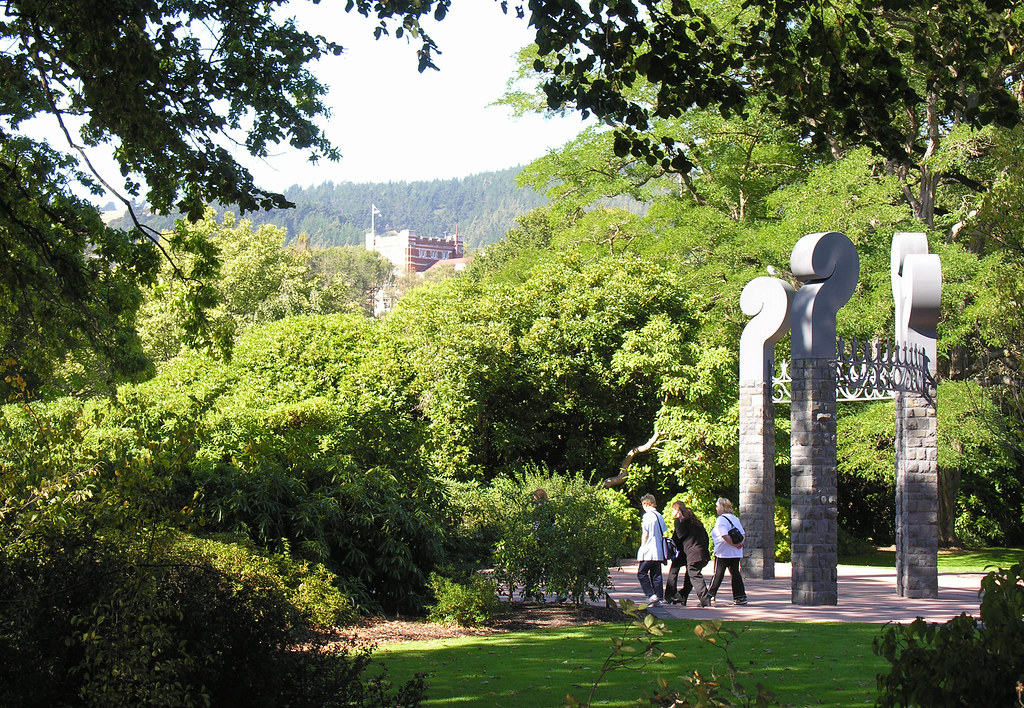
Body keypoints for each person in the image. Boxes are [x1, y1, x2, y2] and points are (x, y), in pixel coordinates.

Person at [665, 501, 711, 607]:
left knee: (694, 576)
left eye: (673, 510)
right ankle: (682, 596)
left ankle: (705, 600)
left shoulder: (681, 523)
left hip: (692, 553)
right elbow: (705, 537)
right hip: (700, 553)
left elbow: (679, 536)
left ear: (678, 510)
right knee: (690, 576)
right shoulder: (696, 523)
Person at [708, 497, 748, 605]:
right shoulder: (735, 518)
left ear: (721, 507)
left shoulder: (721, 519)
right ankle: (740, 596)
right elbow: (742, 533)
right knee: (735, 573)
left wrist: (733, 544)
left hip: (723, 552)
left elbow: (724, 534)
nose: (716, 508)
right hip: (735, 552)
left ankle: (710, 595)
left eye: (717, 506)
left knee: (718, 574)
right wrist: (739, 544)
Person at [636, 493, 668, 607]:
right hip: (658, 550)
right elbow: (663, 530)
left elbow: (646, 533)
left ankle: (650, 595)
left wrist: (642, 547)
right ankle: (659, 597)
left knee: (642, 573)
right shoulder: (659, 515)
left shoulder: (647, 516)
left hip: (649, 549)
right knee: (656, 574)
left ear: (646, 504)